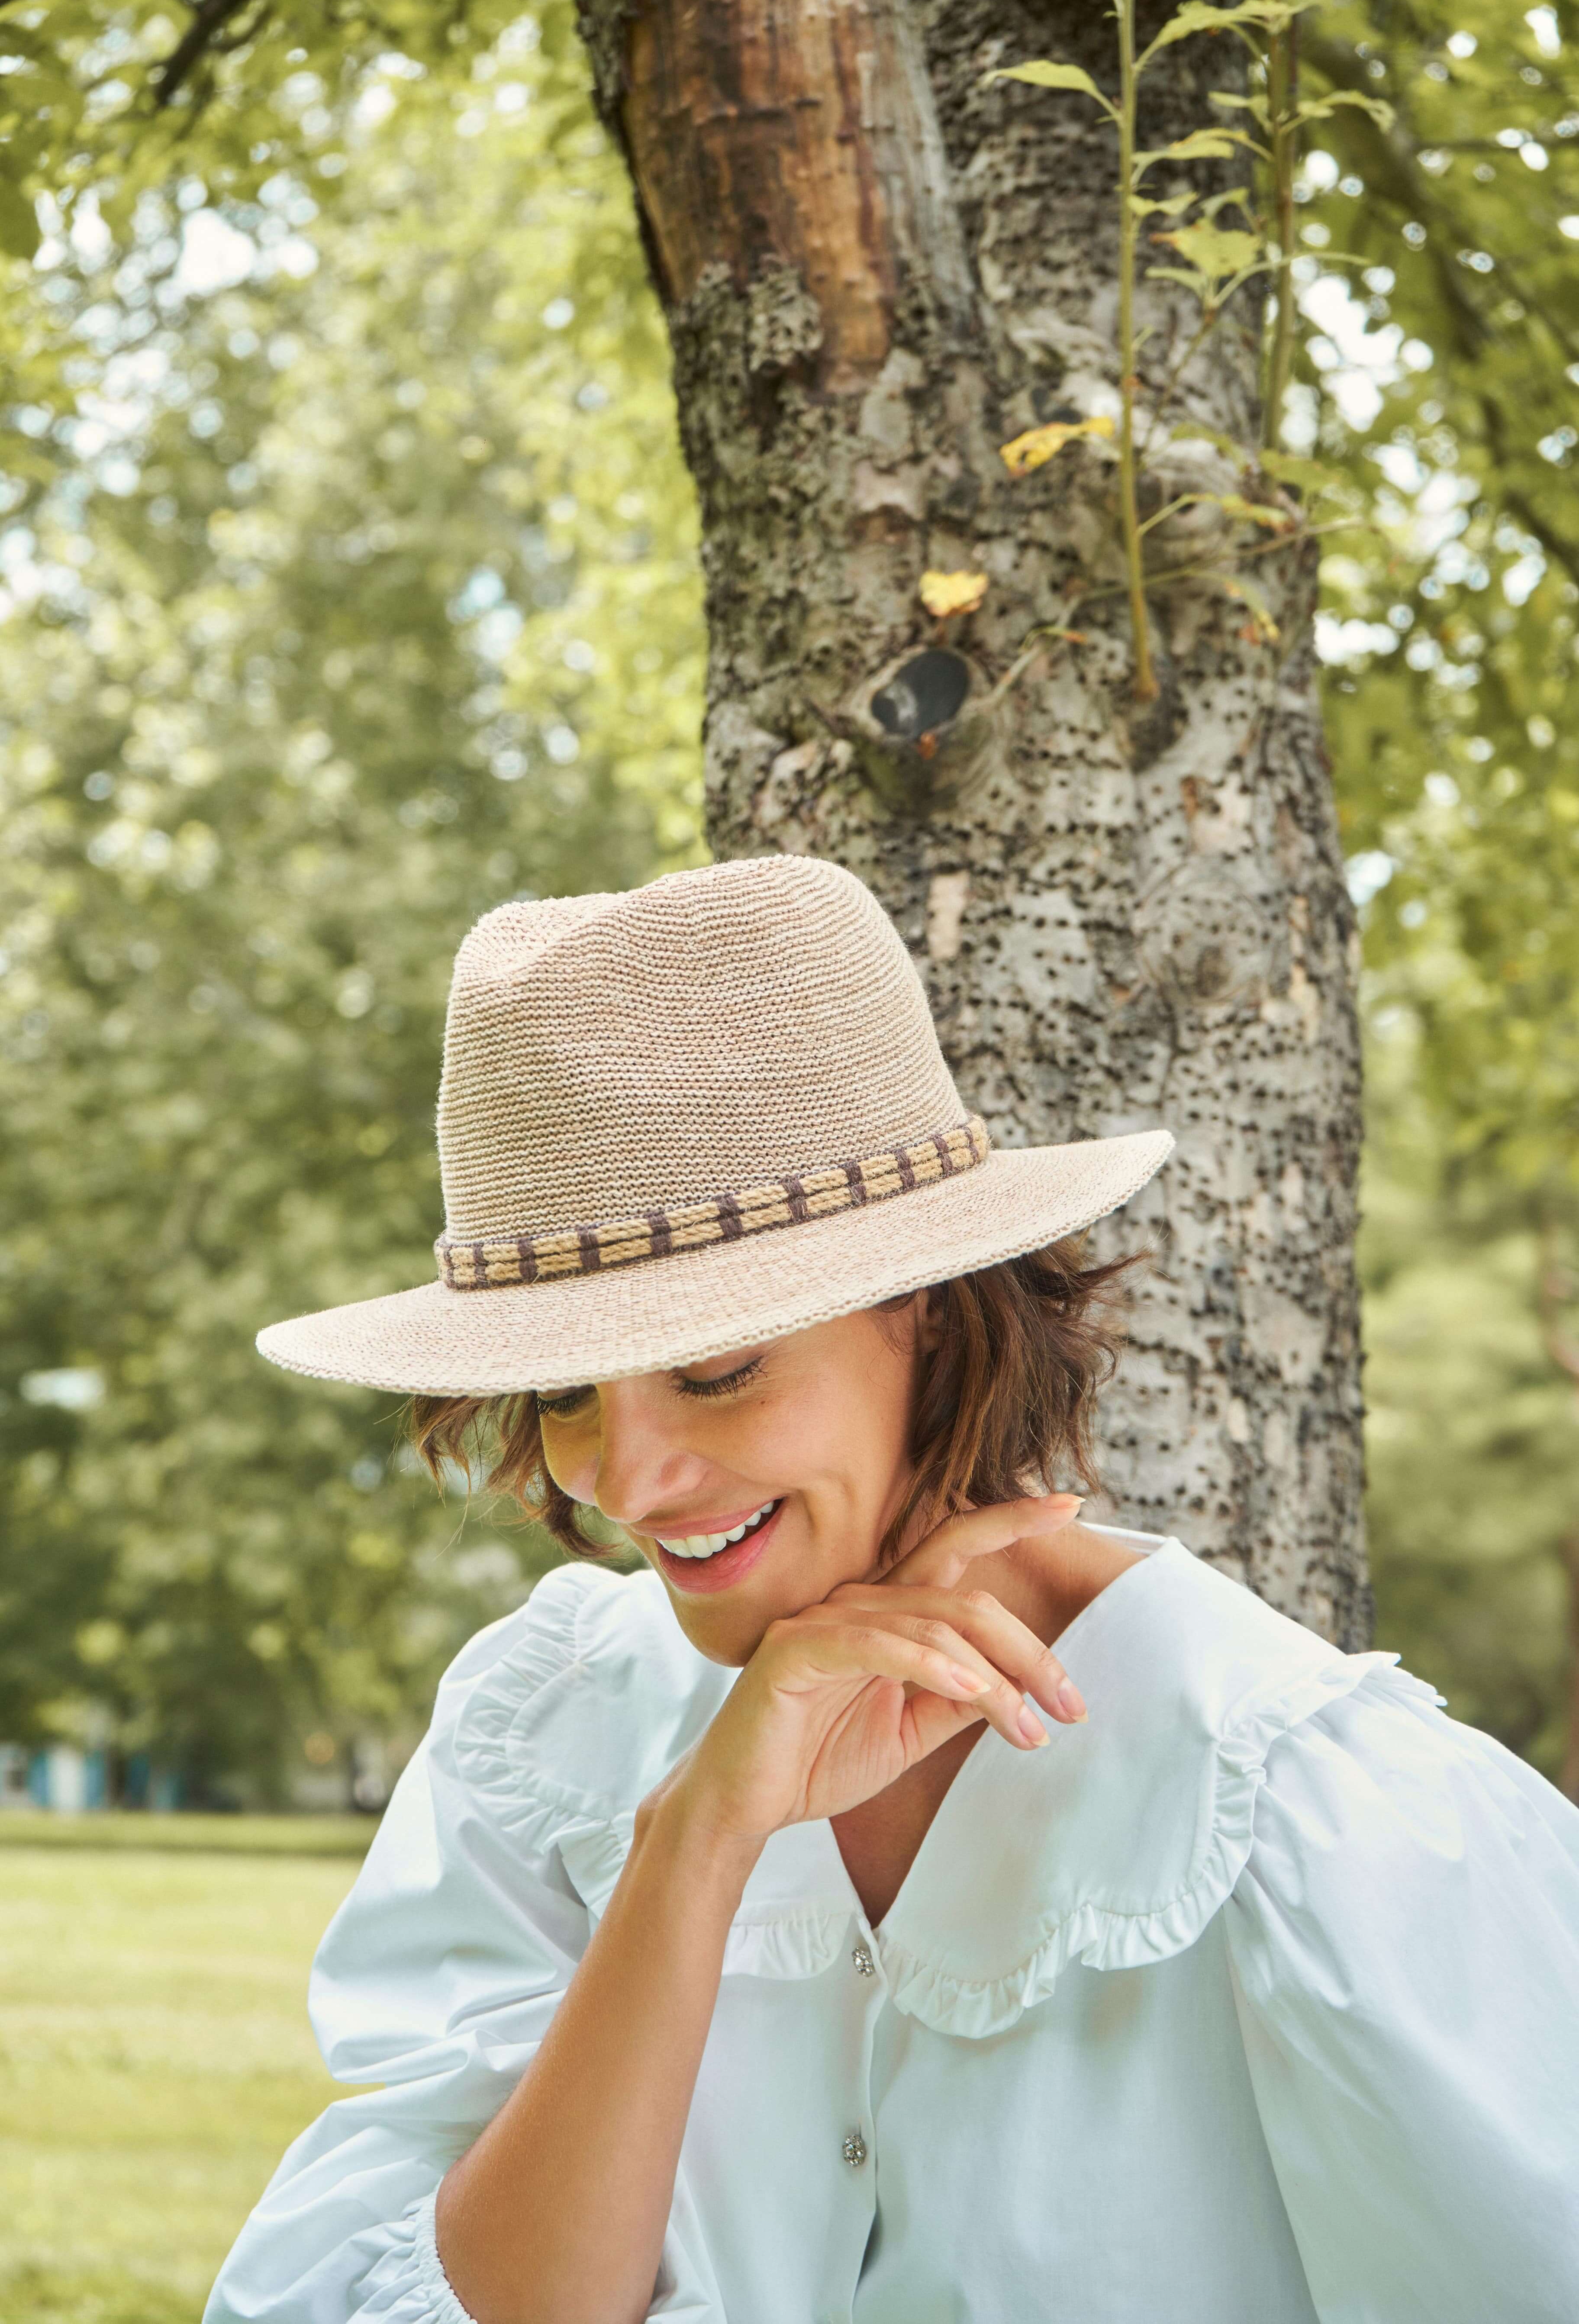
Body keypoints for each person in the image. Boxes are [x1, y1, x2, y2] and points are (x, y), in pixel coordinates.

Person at [207, 855, 1579, 2324]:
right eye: (564, 1394)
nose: (627, 1479)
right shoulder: (541, 1733)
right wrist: (694, 1845)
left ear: (927, 1306)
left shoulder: (1318, 1811)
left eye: (716, 1370)